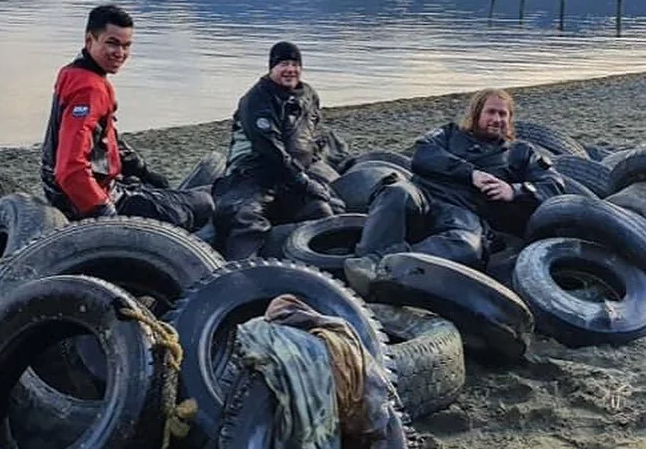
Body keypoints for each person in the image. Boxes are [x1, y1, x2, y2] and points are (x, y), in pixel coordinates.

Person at [346, 88, 565, 279]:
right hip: (424, 195)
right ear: (476, 113)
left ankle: (388, 264)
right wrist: (470, 174)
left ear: (510, 119)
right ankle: (365, 262)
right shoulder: (448, 133)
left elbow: (553, 185)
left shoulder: (521, 152)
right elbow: (422, 155)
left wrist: (514, 190)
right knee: (395, 192)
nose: (497, 119)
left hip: (464, 213)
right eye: (490, 112)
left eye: (503, 114)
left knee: (467, 247)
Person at [41, 4, 210, 230]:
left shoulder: (73, 73)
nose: (120, 53)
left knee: (172, 193)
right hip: (86, 201)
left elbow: (104, 137)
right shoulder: (90, 89)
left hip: (71, 191)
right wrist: (105, 212)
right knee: (201, 205)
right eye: (112, 43)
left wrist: (142, 171)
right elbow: (70, 169)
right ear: (90, 40)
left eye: (126, 45)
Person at [212, 41, 346, 259]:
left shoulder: (308, 95)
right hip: (254, 172)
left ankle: (326, 265)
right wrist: (302, 181)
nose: (290, 70)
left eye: (295, 64)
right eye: (284, 64)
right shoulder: (256, 99)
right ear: (271, 68)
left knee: (322, 211)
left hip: (292, 176)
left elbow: (310, 134)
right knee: (245, 217)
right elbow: (269, 148)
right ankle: (239, 270)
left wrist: (313, 168)